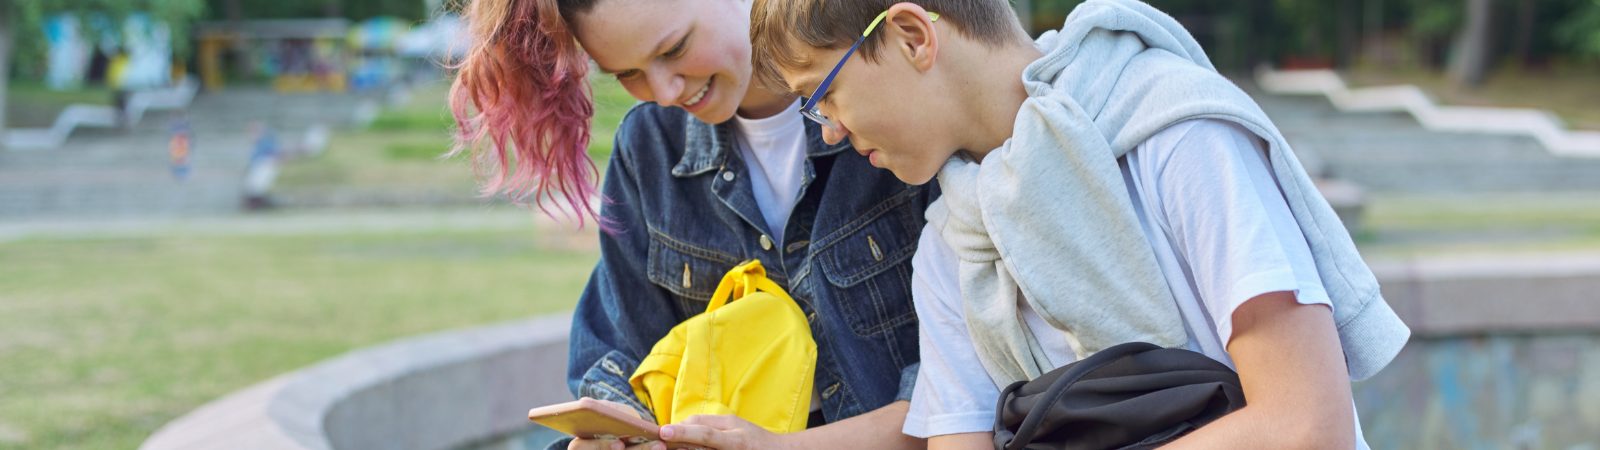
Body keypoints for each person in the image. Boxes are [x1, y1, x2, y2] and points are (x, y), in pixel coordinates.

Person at [750, 0, 1411, 448]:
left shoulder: (1175, 135)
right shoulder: (952, 244)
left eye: (823, 93)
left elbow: (1305, 422)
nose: (830, 129)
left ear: (913, 36)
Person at [447, 0, 935, 449]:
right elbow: (620, 355)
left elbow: (973, 378)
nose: (662, 92)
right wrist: (614, 433)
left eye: (674, 48)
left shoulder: (889, 97)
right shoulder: (650, 148)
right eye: (628, 73)